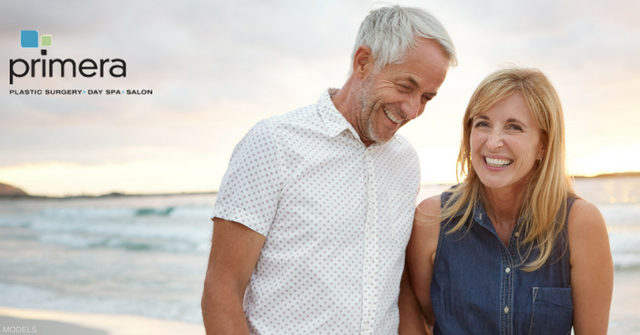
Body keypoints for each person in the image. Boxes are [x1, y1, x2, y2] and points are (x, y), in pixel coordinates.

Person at [201, 5, 457, 335]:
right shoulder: (274, 143)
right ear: (363, 61)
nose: (412, 109)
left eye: (427, 97)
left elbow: (399, 289)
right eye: (406, 86)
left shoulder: (405, 160)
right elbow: (222, 290)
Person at [399, 68, 614, 335]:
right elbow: (423, 318)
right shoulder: (432, 219)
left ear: (543, 145)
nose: (493, 142)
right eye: (483, 123)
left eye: (514, 127)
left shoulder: (580, 224)